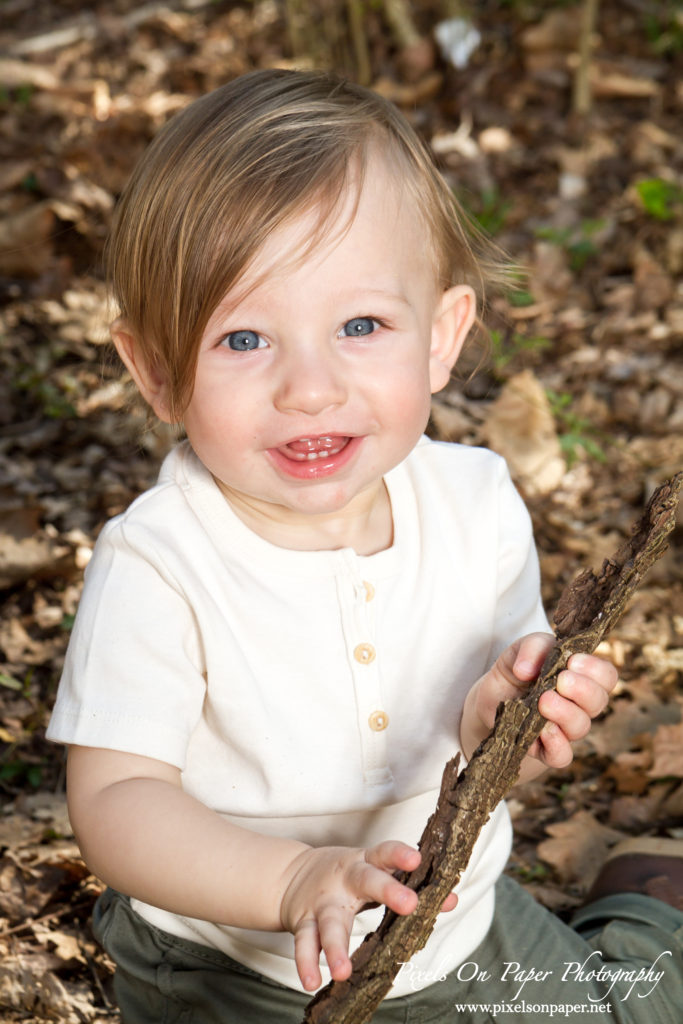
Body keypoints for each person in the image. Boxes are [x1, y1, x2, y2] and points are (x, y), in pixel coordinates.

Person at [47, 69, 682, 1023]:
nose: (310, 386)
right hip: (236, 968)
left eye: (359, 325)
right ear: (156, 372)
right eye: (244, 339)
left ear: (441, 336)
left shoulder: (474, 504)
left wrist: (512, 711)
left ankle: (642, 914)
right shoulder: (162, 561)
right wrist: (292, 880)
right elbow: (117, 802)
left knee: (634, 1007)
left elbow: (488, 718)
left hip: (459, 928)